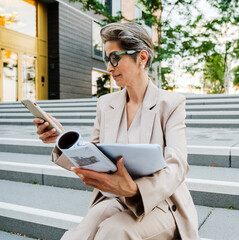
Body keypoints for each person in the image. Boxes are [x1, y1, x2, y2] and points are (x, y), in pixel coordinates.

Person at [33, 22, 200, 240]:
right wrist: (62, 140)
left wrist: (134, 190)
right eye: (107, 59)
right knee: (77, 236)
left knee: (114, 232)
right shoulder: (106, 103)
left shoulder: (171, 104)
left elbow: (177, 165)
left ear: (141, 57)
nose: (109, 68)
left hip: (161, 202)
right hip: (114, 198)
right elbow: (92, 155)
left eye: (115, 58)